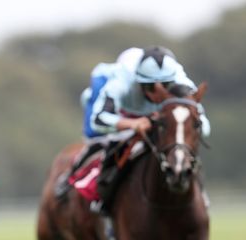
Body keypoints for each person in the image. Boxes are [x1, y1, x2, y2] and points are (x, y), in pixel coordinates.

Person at [59, 46, 211, 211]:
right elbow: (98, 120)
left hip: (152, 113)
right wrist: (133, 124)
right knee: (98, 137)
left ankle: (200, 193)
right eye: (150, 86)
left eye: (165, 85)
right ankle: (72, 179)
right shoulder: (121, 81)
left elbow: (205, 127)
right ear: (139, 82)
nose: (158, 92)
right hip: (114, 107)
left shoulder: (182, 83)